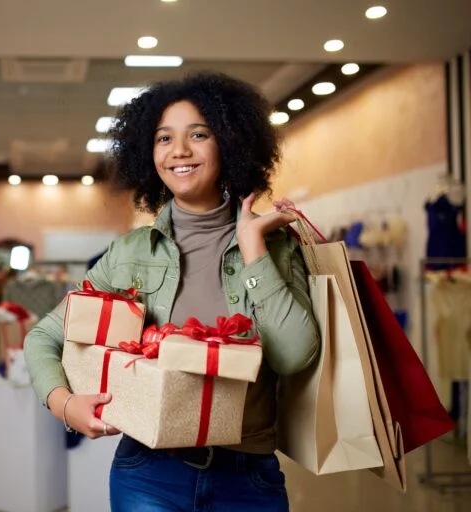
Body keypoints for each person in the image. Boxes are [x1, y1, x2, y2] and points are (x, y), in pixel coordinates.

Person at [23, 72, 321, 511]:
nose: (179, 150)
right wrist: (65, 405)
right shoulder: (127, 255)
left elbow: (295, 355)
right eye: (164, 138)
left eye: (198, 134)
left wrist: (254, 251)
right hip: (149, 473)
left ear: (230, 143)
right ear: (149, 153)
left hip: (248, 476)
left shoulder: (274, 246)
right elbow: (44, 336)